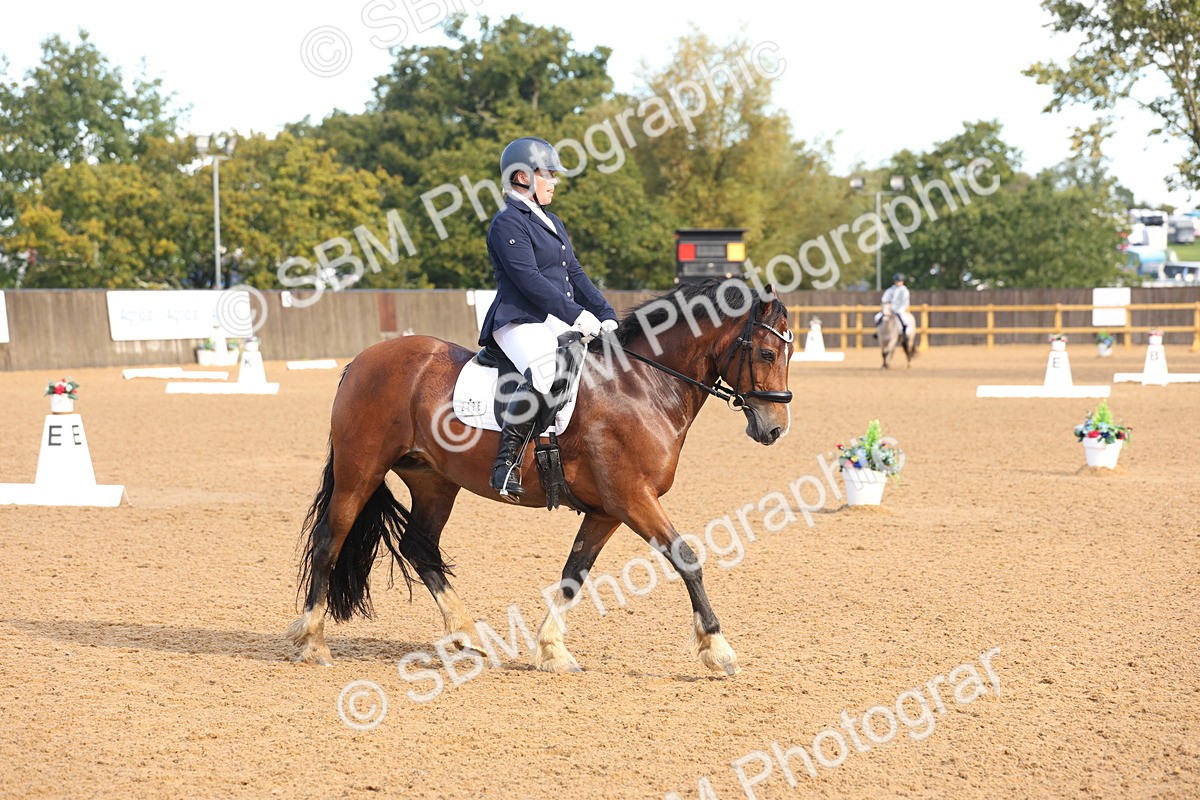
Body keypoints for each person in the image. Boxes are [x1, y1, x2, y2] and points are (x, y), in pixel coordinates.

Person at [479, 136, 619, 500]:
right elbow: (530, 281)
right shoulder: (507, 222)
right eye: (549, 175)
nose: (554, 182)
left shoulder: (551, 220)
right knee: (544, 372)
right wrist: (577, 315)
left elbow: (575, 273)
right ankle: (505, 465)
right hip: (519, 319)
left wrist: (605, 314)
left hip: (554, 319)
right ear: (523, 177)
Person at [874, 273, 915, 339]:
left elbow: (904, 302)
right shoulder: (890, 290)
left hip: (900, 309)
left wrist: (898, 308)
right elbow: (885, 299)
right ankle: (878, 331)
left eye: (900, 281)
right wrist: (887, 306)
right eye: (897, 281)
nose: (898, 283)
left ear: (902, 282)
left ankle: (905, 333)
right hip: (889, 309)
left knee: (905, 319)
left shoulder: (904, 291)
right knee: (877, 317)